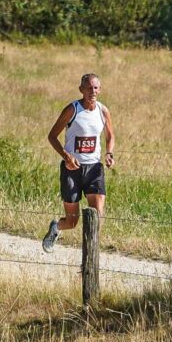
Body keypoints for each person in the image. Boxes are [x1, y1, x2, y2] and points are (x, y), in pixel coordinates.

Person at [42, 73, 115, 252]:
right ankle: (56, 227)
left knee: (97, 214)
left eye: (96, 87)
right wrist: (66, 156)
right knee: (72, 221)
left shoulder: (103, 111)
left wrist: (109, 153)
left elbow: (110, 136)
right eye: (89, 88)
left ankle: (91, 252)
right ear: (81, 89)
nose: (93, 91)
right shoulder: (72, 109)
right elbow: (52, 136)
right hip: (71, 169)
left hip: (94, 168)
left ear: (100, 89)